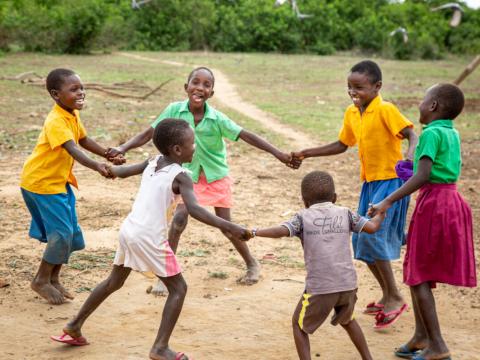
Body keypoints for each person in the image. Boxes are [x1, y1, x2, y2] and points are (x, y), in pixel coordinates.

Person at [52, 118, 251, 360]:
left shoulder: (152, 161)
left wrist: (108, 169)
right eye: (192, 143)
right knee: (179, 289)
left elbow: (121, 173)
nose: (195, 146)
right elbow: (196, 211)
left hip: (130, 230)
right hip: (148, 237)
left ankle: (74, 326)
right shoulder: (181, 175)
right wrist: (231, 226)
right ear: (177, 150)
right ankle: (160, 348)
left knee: (114, 282)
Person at [106, 66, 295, 288]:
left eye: (207, 85)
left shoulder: (217, 118)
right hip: (187, 178)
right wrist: (123, 147)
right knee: (178, 221)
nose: (200, 88)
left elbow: (247, 136)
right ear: (186, 87)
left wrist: (279, 154)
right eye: (196, 82)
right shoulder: (174, 110)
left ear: (211, 93)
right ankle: (165, 273)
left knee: (226, 226)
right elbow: (149, 133)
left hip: (215, 176)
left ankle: (252, 263)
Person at [292, 60, 418, 328]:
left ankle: (394, 296)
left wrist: (411, 153)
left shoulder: (385, 109)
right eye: (349, 87)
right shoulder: (352, 112)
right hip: (370, 183)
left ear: (377, 86)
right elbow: (342, 144)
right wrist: (308, 152)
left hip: (392, 182)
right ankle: (388, 293)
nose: (353, 92)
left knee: (374, 237)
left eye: (359, 87)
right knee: (361, 240)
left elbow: (411, 134)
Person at [369, 84, 476, 360]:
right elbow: (435, 170)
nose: (419, 104)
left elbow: (425, 175)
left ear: (433, 106)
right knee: (420, 271)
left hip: (435, 205)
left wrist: (387, 201)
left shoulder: (430, 133)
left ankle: (437, 345)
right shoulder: (451, 133)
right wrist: (412, 170)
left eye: (423, 99)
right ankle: (420, 336)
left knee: (419, 276)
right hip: (449, 201)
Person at [247, 171, 385, 360]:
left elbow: (281, 231)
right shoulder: (346, 213)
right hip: (348, 284)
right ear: (335, 197)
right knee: (348, 320)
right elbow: (372, 227)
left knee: (299, 325)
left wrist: (254, 232)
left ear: (304, 201)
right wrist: (380, 214)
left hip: (320, 287)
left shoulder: (302, 217)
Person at [20, 68, 124, 305]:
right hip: (41, 184)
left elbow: (83, 140)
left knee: (70, 232)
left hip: (58, 182)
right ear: (56, 94)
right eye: (74, 89)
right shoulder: (56, 120)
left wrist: (108, 154)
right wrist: (98, 166)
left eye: (82, 88)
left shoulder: (71, 114)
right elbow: (73, 149)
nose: (81, 93)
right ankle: (40, 280)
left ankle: (54, 279)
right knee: (61, 233)